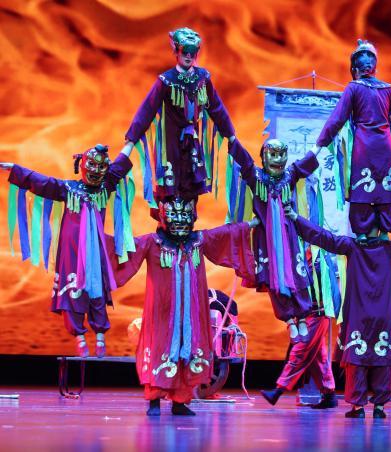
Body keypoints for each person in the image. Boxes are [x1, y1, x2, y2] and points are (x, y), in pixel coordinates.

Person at [111, 195, 256, 416]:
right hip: (162, 312)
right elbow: (124, 251)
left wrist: (251, 224)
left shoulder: (198, 241)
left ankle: (180, 401)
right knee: (160, 349)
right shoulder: (153, 242)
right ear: (163, 216)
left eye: (185, 215)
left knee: (188, 350)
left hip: (190, 312)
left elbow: (225, 234)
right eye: (174, 214)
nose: (180, 220)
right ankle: (154, 401)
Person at [285, 205, 391, 419]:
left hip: (359, 316)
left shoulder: (351, 247)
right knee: (382, 360)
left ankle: (358, 408)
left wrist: (296, 218)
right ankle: (379, 407)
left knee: (356, 362)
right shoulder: (389, 248)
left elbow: (322, 237)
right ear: (380, 228)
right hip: (382, 315)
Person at [1, 144, 133, 357]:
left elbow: (119, 166)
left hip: (95, 251)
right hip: (71, 251)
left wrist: (130, 142)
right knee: (72, 291)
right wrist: (15, 169)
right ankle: (79, 337)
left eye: (102, 167)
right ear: (82, 165)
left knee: (97, 291)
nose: (96, 170)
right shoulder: (69, 189)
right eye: (92, 165)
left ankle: (100, 336)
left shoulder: (105, 187)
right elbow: (44, 182)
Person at [315, 39, 391, 241]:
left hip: (364, 147)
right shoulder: (387, 89)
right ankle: (384, 233)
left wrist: (320, 143)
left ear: (355, 69)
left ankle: (361, 233)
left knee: (362, 190)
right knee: (385, 187)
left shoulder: (353, 88)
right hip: (384, 146)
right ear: (374, 69)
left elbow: (337, 119)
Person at [120, 27, 236, 198]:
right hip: (171, 142)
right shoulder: (166, 80)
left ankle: (189, 214)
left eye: (193, 51)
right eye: (185, 51)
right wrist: (130, 141)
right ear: (176, 50)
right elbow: (147, 110)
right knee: (170, 188)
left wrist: (231, 135)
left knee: (191, 186)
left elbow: (216, 108)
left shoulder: (202, 78)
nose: (189, 56)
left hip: (193, 141)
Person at [228, 138, 320, 342]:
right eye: (273, 154)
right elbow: (245, 162)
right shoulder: (257, 177)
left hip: (288, 234)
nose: (278, 159)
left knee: (297, 273)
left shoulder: (290, 175)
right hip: (266, 236)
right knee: (273, 277)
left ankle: (302, 316)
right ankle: (289, 320)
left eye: (281, 154)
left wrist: (320, 146)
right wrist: (232, 139)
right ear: (264, 156)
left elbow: (306, 162)